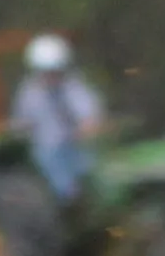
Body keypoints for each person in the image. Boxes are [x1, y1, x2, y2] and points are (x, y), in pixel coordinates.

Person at [11, 32, 104, 204]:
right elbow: (21, 122)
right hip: (46, 152)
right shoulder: (28, 92)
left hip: (74, 147)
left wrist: (87, 126)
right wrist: (20, 130)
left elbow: (88, 114)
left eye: (55, 70)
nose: (51, 76)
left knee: (92, 177)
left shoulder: (73, 86)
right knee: (61, 187)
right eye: (46, 71)